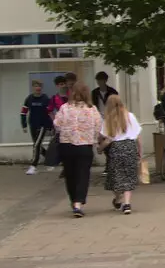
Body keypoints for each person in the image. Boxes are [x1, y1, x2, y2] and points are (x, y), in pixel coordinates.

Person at [53, 82, 101, 217]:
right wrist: (95, 140)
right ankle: (78, 203)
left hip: (67, 145)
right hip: (85, 146)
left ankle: (73, 199)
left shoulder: (65, 108)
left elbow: (57, 124)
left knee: (70, 175)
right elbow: (98, 127)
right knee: (83, 175)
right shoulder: (92, 109)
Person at [99, 93, 142, 214]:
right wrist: (140, 152)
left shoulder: (109, 120)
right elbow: (138, 137)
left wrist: (99, 148)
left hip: (116, 148)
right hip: (130, 146)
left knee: (115, 175)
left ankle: (118, 197)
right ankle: (127, 204)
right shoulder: (130, 116)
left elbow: (106, 138)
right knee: (128, 174)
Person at [21, 80, 53, 174]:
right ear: (33, 87)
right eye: (35, 86)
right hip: (32, 124)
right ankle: (50, 159)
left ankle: (33, 166)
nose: (37, 88)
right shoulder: (29, 99)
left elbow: (49, 113)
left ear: (41, 88)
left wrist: (50, 126)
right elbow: (23, 112)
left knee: (36, 145)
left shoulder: (45, 99)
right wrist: (24, 125)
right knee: (37, 145)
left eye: (39, 86)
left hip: (43, 125)